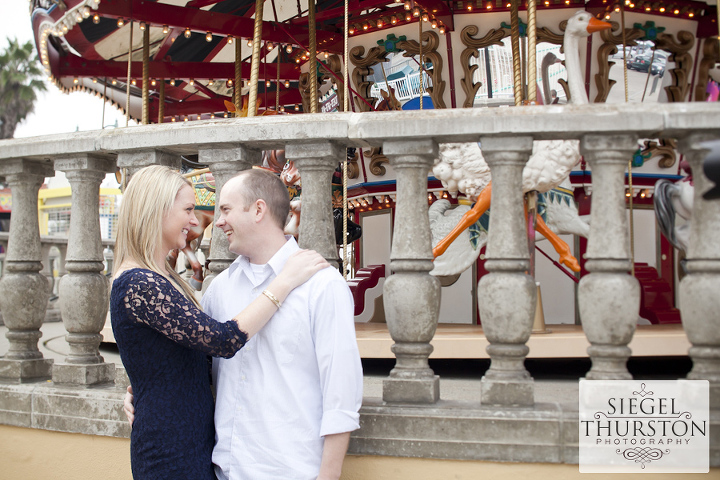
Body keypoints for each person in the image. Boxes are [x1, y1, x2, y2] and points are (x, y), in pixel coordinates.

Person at [112, 165, 329, 480]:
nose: (193, 221)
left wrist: (146, 389)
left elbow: (182, 356)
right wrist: (283, 282)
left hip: (189, 443)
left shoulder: (162, 278)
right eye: (188, 209)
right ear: (156, 210)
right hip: (170, 451)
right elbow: (221, 340)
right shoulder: (139, 283)